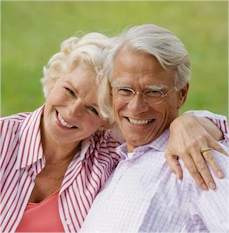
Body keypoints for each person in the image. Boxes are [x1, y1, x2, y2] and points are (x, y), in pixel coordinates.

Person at [0, 30, 227, 233]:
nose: (72, 111)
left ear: (105, 121)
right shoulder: (4, 135)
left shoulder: (108, 154)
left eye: (92, 109)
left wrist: (189, 123)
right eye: (69, 91)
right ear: (54, 79)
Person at [79, 24, 229, 232]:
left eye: (153, 92)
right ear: (111, 91)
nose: (136, 107)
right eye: (125, 90)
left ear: (181, 94)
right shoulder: (113, 160)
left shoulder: (197, 158)